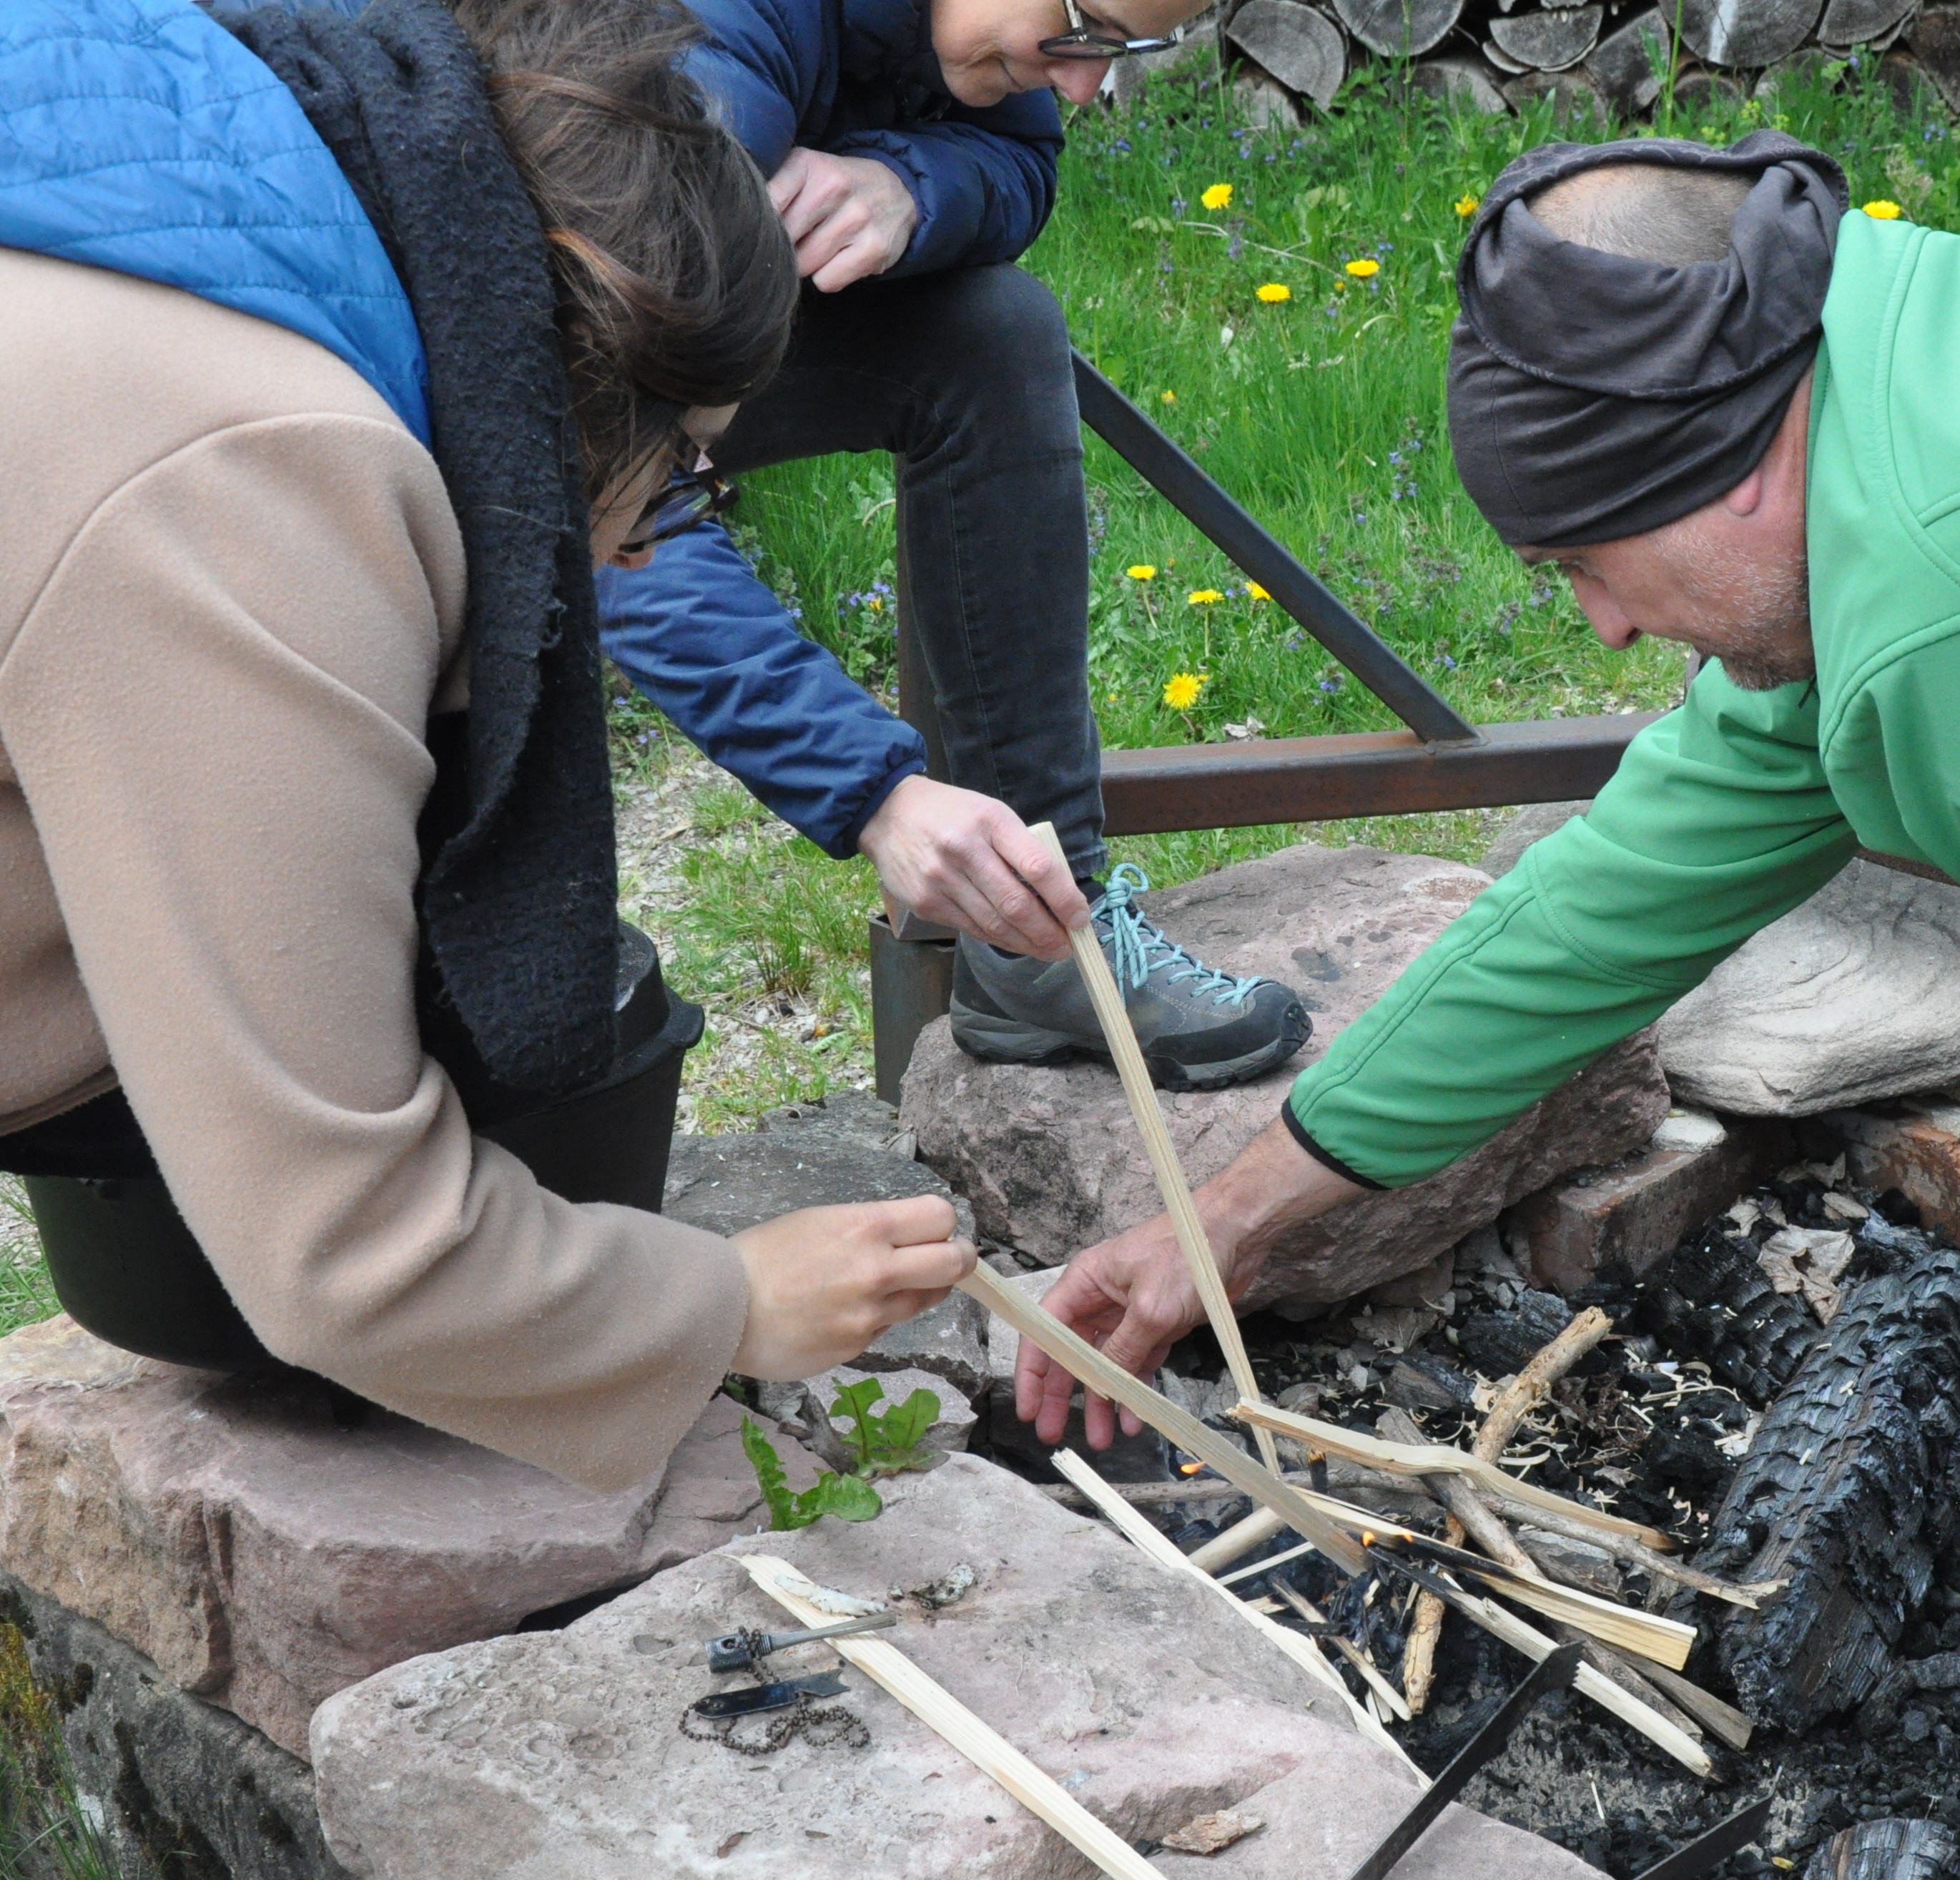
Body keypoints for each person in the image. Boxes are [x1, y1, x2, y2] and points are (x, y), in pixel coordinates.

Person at [0, 0, 973, 1492]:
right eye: (671, 479)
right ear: (574, 391)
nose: (640, 555)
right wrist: (728, 1306)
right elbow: (342, 1248)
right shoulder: (247, 488)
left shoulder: (200, 176)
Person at [1016, 129, 1933, 1443]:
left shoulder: (1925, 614)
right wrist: (1220, 1222)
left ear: (1733, 462)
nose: (1605, 630)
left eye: (1585, 562)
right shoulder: (1865, 400)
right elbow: (1598, 915)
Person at [596, 0, 1314, 1091]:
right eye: (1086, 31)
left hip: (621, 329)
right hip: (381, 413)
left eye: (1124, 52)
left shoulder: (979, 35)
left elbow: (1020, 161)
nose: (1080, 89)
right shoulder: (700, 59)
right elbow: (593, 495)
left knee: (991, 335)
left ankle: (1039, 937)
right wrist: (877, 793)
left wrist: (906, 184)